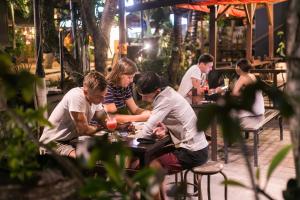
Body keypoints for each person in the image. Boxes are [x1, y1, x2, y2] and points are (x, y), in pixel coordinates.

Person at [136, 71, 208, 199]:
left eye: (145, 95)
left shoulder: (165, 99)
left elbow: (146, 131)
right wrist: (167, 129)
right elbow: (180, 121)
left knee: (151, 168)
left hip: (194, 151)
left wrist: (134, 137)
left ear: (157, 90)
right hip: (195, 145)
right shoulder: (167, 92)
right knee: (150, 158)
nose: (143, 99)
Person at [39, 71, 107, 158]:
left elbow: (104, 119)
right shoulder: (76, 97)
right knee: (81, 160)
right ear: (86, 92)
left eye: (104, 95)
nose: (103, 100)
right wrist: (101, 128)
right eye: (99, 97)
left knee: (103, 151)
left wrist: (121, 126)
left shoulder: (94, 98)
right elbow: (83, 130)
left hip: (71, 140)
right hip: (53, 142)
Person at [104, 57, 150, 123]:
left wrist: (147, 112)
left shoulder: (124, 87)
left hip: (123, 125)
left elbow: (135, 110)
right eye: (129, 77)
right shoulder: (107, 88)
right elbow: (112, 117)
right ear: (119, 74)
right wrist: (141, 117)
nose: (131, 80)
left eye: (132, 77)